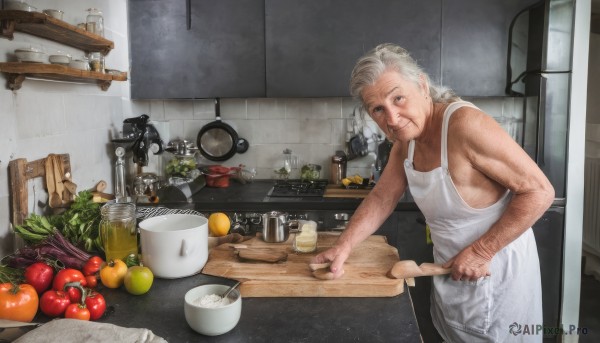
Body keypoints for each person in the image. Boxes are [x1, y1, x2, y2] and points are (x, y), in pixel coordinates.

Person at [312, 43, 555, 342]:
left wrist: (482, 252)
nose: (392, 118)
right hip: (449, 274)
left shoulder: (464, 125)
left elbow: (540, 191)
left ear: (423, 85)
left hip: (494, 277)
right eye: (378, 109)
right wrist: (344, 246)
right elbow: (382, 197)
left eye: (398, 98)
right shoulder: (406, 138)